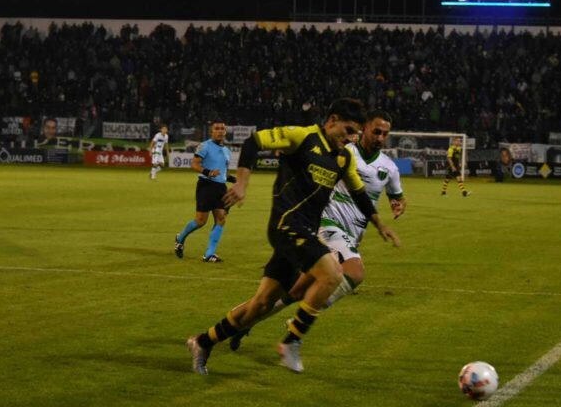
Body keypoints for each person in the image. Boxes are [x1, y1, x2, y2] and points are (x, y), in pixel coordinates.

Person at [186, 98, 400, 375]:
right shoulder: (302, 136)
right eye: (347, 131)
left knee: (260, 305)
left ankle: (203, 341)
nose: (350, 139)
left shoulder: (343, 158)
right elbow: (253, 142)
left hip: (303, 232)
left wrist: (379, 224)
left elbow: (359, 193)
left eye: (355, 135)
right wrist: (242, 183)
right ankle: (292, 340)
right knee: (332, 273)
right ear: (332, 121)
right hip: (286, 225)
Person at [228, 109, 406, 352]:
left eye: (385, 133)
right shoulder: (342, 150)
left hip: (353, 233)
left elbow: (394, 195)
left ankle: (244, 321)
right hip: (326, 224)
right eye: (376, 131)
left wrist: (397, 204)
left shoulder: (389, 167)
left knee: (294, 291)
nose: (380, 137)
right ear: (363, 128)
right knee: (355, 272)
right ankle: (300, 324)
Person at [174, 119, 234, 262]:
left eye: (222, 128)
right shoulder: (205, 146)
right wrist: (207, 172)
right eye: (217, 128)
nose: (220, 131)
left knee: (221, 218)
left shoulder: (227, 151)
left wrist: (232, 179)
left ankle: (209, 254)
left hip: (221, 188)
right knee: (201, 221)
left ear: (225, 131)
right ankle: (180, 237)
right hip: (206, 185)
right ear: (212, 131)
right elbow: (194, 164)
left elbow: (222, 171)